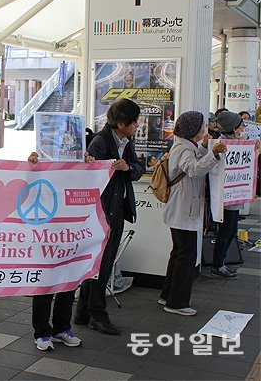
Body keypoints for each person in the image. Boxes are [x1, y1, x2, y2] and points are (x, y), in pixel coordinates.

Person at [74, 98, 144, 336]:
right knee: (101, 265)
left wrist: (129, 168)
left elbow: (137, 167)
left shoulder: (126, 140)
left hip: (116, 211)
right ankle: (97, 314)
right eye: (134, 121)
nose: (137, 125)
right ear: (122, 122)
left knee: (100, 263)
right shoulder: (100, 141)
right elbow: (88, 178)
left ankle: (83, 311)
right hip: (102, 213)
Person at [160, 111, 226, 316]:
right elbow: (195, 169)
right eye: (201, 126)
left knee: (179, 253)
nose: (204, 129)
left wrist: (205, 148)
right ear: (192, 129)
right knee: (186, 256)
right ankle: (177, 302)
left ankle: (168, 295)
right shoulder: (184, 149)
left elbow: (193, 163)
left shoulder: (183, 146)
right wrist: (213, 154)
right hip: (184, 209)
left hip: (180, 208)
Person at [27, 151, 91, 351]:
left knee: (68, 283)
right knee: (45, 284)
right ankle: (42, 332)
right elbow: (26, 185)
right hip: (46, 235)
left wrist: (90, 164)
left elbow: (94, 187)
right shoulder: (43, 168)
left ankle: (62, 329)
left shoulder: (80, 167)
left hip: (71, 235)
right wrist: (32, 164)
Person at [212, 111, 246, 279]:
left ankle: (221, 261)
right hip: (226, 196)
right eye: (241, 124)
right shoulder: (221, 143)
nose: (243, 127)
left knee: (231, 230)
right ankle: (218, 264)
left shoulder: (236, 142)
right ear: (232, 127)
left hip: (233, 195)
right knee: (226, 231)